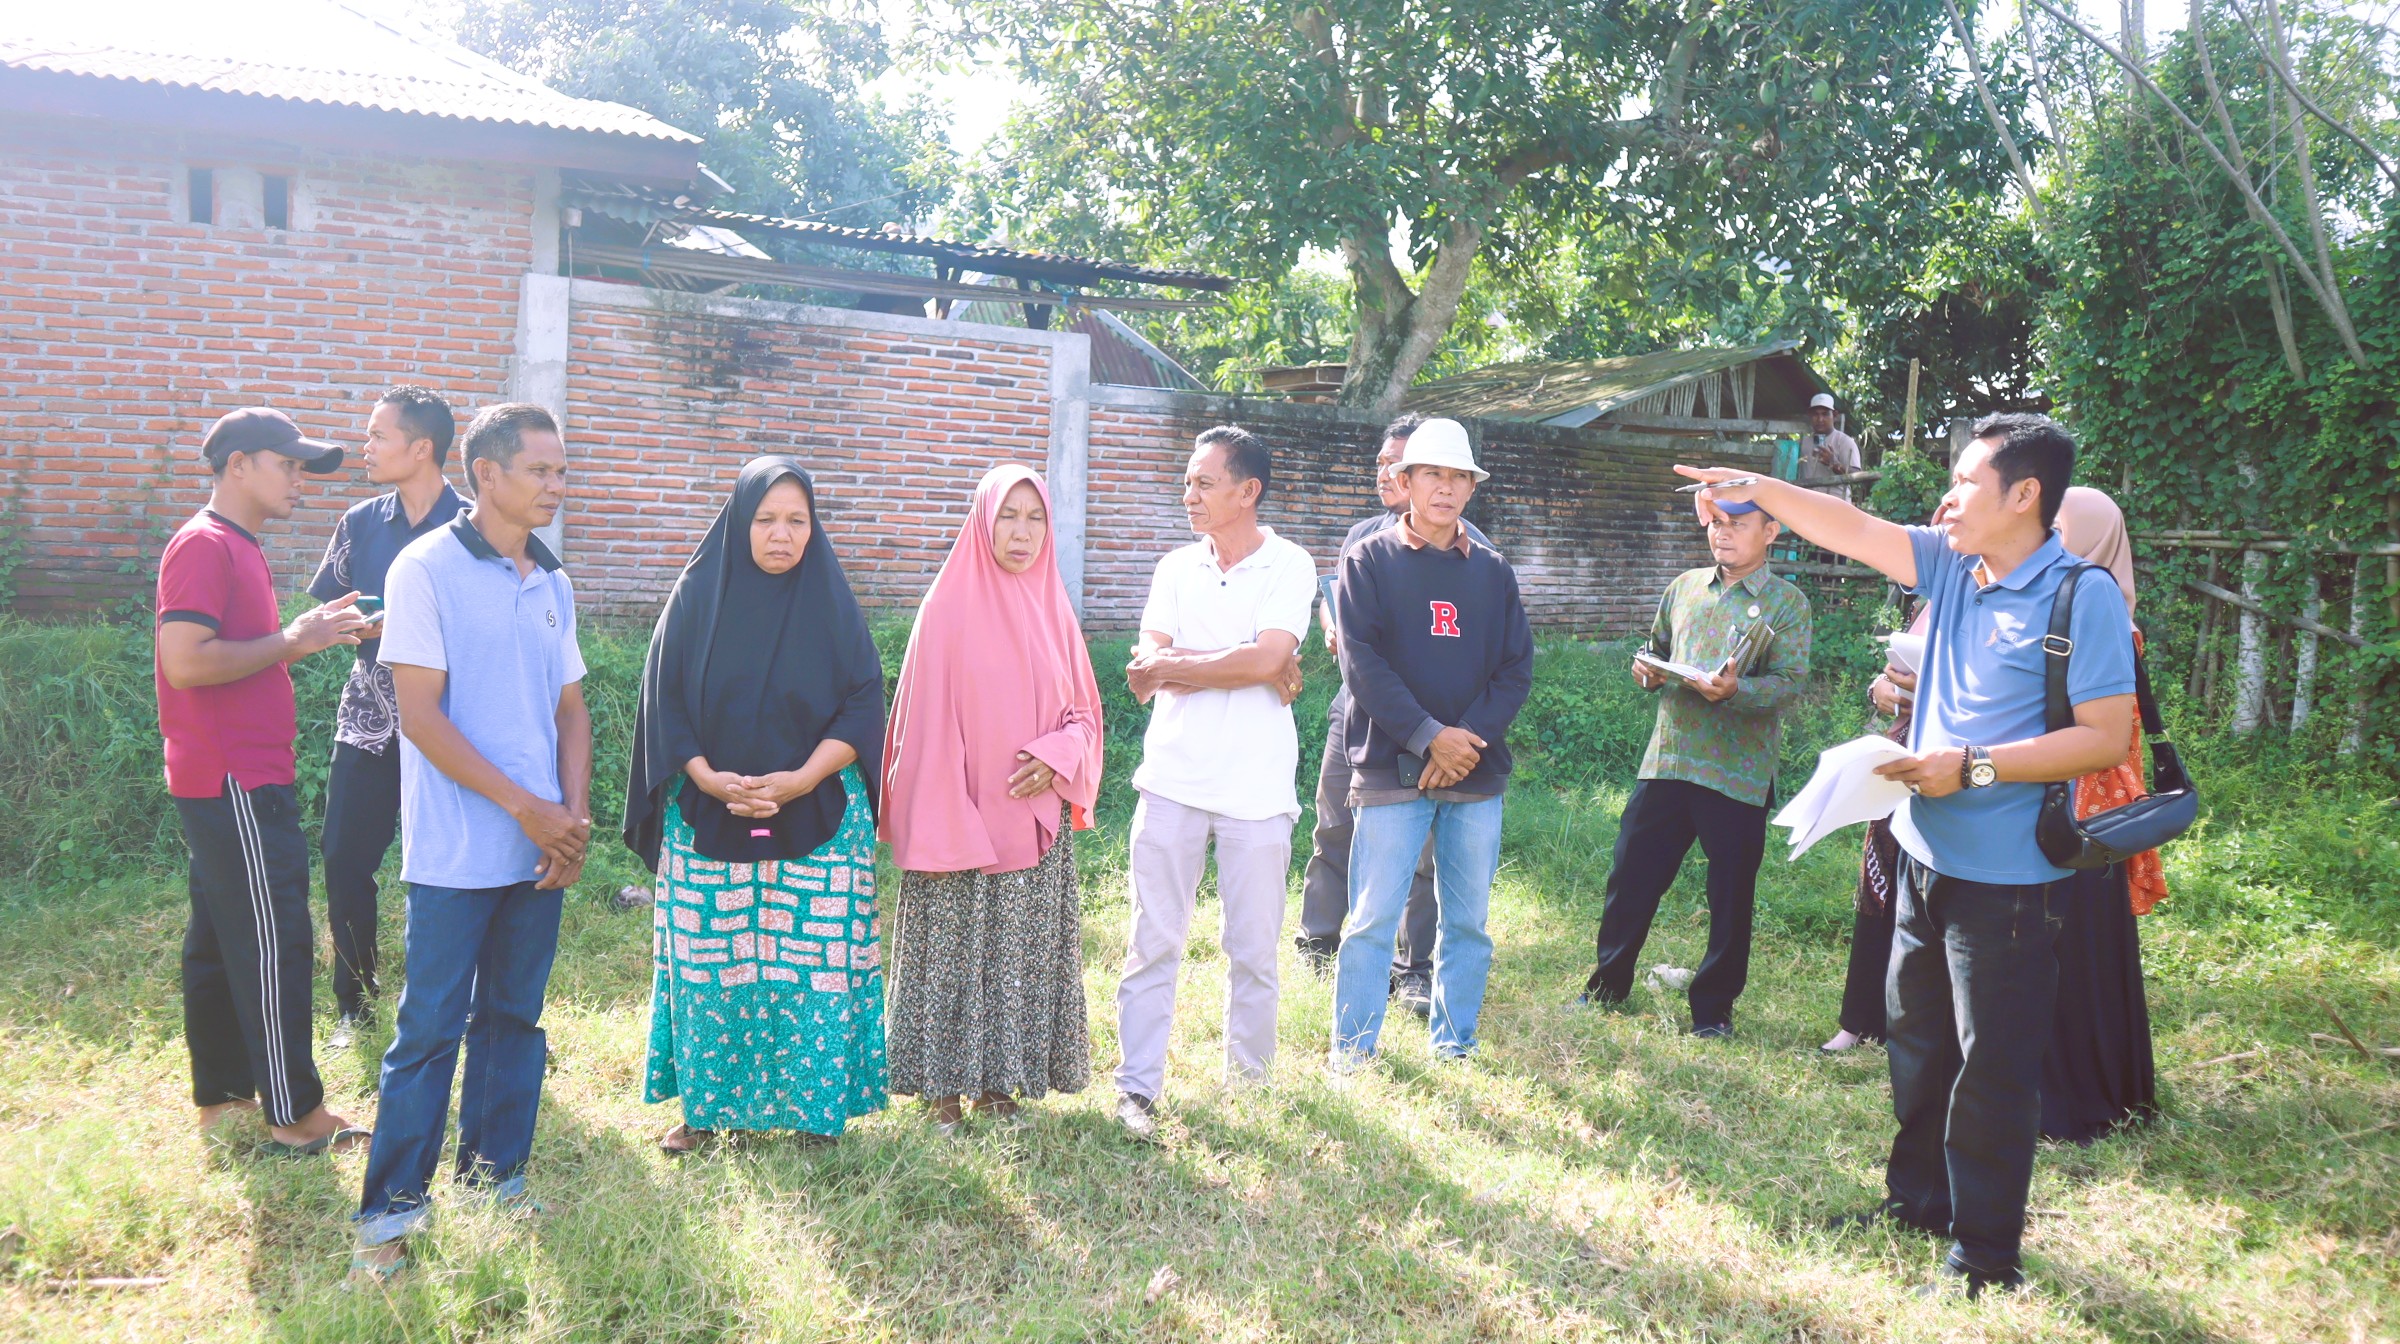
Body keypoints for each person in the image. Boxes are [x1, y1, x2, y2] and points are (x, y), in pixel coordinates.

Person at [1678, 412, 2138, 1298]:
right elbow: (1849, 526)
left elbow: (2104, 737)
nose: (1947, 497)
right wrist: (1758, 488)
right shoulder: (1954, 568)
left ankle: (1986, 1257)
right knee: (1918, 1045)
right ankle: (1917, 1203)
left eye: (1965, 481)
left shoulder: (2080, 596)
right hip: (1924, 855)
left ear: (2025, 494)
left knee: (1993, 1069)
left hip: (2010, 880)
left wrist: (1972, 765)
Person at [352, 403, 593, 1282]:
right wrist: (528, 809)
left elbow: (572, 712)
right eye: (541, 471)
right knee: (427, 1031)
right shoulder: (425, 569)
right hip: (457, 850)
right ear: (486, 473)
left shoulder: (553, 581)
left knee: (514, 1021)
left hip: (540, 848)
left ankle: (495, 1178)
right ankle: (388, 1220)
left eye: (562, 471)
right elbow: (420, 717)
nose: (557, 486)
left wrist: (571, 820)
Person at [622, 458, 888, 1155]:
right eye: (766, 519)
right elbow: (664, 698)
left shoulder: (831, 603)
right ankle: (709, 1110)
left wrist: (802, 778)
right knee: (714, 964)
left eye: (797, 520)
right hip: (709, 813)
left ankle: (814, 1111)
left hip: (818, 813)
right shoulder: (696, 596)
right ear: (741, 522)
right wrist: (706, 777)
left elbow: (864, 702)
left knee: (814, 967)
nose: (782, 534)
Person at [154, 407, 371, 1155]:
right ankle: (295, 1115)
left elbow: (240, 651)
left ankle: (223, 1096)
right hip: (236, 779)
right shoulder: (206, 544)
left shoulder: (233, 544)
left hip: (228, 775)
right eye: (289, 465)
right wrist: (291, 639)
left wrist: (308, 634)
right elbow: (186, 660)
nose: (300, 480)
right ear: (239, 464)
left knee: (220, 936)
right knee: (274, 939)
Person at [883, 464, 1102, 1135]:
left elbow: (1085, 716)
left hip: (1031, 821)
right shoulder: (946, 609)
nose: (1022, 533)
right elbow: (921, 725)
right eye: (1008, 516)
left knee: (1016, 953)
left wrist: (1057, 756)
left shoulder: (1053, 608)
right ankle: (942, 1090)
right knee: (950, 948)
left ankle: (1000, 1086)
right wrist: (951, 816)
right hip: (958, 815)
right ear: (983, 520)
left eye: (1035, 519)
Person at [1114, 426, 1314, 1140]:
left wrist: (1192, 665)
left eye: (1203, 483)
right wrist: (1240, 663)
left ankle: (1250, 1094)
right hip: (1171, 780)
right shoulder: (1175, 567)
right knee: (1152, 942)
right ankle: (1136, 1090)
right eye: (1187, 482)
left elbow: (1265, 661)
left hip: (1257, 791)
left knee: (1253, 951)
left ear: (1247, 491)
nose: (1189, 495)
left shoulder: (1291, 564)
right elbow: (1145, 668)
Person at [1327, 418, 1533, 1069]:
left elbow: (1515, 669)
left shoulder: (1493, 572)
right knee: (1371, 919)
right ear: (1405, 481)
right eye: (1432, 474)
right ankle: (1352, 1053)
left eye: (1458, 476)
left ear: (1472, 487)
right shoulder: (1369, 560)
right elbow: (1361, 663)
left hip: (1474, 770)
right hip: (1391, 767)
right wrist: (1427, 737)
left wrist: (1462, 743)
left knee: (1467, 922)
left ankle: (1455, 1045)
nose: (1445, 488)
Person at [1576, 498, 1811, 1037]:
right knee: (1630, 878)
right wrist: (1646, 671)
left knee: (1729, 895)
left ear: (1770, 531)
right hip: (1669, 759)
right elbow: (1654, 649)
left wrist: (1736, 690)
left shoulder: (1786, 603)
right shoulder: (1684, 587)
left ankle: (1712, 1012)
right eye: (1717, 523)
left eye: (1738, 524)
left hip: (1736, 772)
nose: (1722, 533)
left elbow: (1789, 684)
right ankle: (1607, 986)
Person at [1296, 413, 1493, 1016]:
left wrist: (1441, 735)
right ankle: (1318, 939)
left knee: (1423, 850)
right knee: (1336, 823)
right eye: (1384, 463)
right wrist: (1332, 626)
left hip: (1437, 723)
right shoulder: (1364, 538)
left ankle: (1414, 966)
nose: (1386, 473)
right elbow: (1334, 603)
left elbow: (1499, 656)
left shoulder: (1478, 552)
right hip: (1358, 708)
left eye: (1399, 463)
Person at [308, 386, 467, 1048]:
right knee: (344, 856)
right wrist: (351, 623)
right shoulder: (359, 522)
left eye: (378, 435)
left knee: (452, 867)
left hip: (453, 721)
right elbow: (329, 608)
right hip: (369, 716)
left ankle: (453, 1004)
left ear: (421, 448)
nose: (365, 447)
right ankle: (355, 1001)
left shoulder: (475, 527)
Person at [2041, 485, 2163, 1143]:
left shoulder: (2095, 611)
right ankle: (2102, 1093)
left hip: (2081, 812)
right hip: (2091, 810)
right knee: (2082, 951)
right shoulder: (2095, 605)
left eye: (2060, 531)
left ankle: (2078, 1103)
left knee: (2075, 953)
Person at [1821, 602, 1926, 1054]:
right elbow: (1894, 673)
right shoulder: (1932, 602)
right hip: (1899, 758)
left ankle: (1916, 1029)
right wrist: (1879, 688)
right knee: (1879, 887)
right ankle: (1859, 1021)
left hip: (1959, 769)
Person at [1797, 393, 1862, 502]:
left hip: (1836, 503)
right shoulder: (1803, 443)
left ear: (1835, 415)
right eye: (1815, 414)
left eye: (1825, 414)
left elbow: (1857, 476)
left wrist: (1834, 464)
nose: (1820, 419)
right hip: (1808, 503)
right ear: (1810, 416)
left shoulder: (1844, 441)